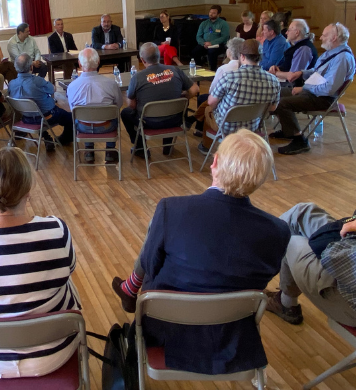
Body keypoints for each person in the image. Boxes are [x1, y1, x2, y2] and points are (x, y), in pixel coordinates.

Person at [111, 130, 291, 375]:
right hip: (232, 337)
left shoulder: (171, 209)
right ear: (260, 179)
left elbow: (150, 266)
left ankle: (129, 288)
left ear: (214, 162)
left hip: (167, 331)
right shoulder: (279, 231)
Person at [0, 147, 81, 378]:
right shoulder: (55, 230)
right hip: (54, 353)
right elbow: (69, 269)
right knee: (66, 283)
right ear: (28, 190)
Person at [265, 202, 356, 327]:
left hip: (348, 290)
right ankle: (284, 299)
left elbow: (335, 258)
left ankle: (285, 304)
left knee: (289, 239)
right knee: (301, 212)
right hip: (348, 248)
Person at [271, 22, 355, 155]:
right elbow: (317, 71)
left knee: (282, 103)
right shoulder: (332, 53)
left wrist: (304, 88)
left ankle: (299, 141)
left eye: (324, 35)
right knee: (275, 92)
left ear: (334, 38)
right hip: (314, 92)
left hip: (323, 98)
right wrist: (302, 73)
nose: (320, 37)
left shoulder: (342, 58)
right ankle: (288, 129)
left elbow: (329, 89)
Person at [197, 39, 280, 154]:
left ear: (242, 56)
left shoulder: (229, 77)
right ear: (261, 57)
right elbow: (272, 108)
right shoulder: (273, 80)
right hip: (253, 125)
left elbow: (211, 102)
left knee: (207, 108)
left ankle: (207, 146)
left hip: (227, 127)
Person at [122, 42, 198, 157]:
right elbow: (195, 89)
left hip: (149, 122)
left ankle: (140, 147)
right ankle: (167, 147)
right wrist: (183, 98)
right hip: (175, 119)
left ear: (142, 60)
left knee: (125, 113)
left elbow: (131, 105)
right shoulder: (175, 70)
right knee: (168, 107)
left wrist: (128, 95)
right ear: (159, 56)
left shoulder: (137, 77)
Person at [67, 48, 123, 164]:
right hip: (106, 126)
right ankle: (110, 151)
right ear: (98, 62)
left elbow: (73, 110)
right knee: (114, 114)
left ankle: (89, 150)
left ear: (79, 64)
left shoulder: (72, 86)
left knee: (80, 116)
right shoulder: (111, 84)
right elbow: (119, 105)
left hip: (83, 127)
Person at [8, 53, 74, 149]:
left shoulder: (11, 84)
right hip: (47, 117)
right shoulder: (37, 81)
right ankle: (64, 139)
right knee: (70, 117)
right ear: (31, 67)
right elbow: (52, 89)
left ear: (15, 67)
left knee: (37, 111)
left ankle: (46, 137)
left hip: (26, 118)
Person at [185, 37, 244, 136]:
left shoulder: (224, 69)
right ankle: (193, 120)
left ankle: (199, 128)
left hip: (227, 110)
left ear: (229, 52)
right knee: (205, 99)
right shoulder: (246, 68)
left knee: (204, 99)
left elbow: (213, 91)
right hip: (247, 111)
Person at [269, 19, 318, 83]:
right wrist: (277, 68)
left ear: (297, 32)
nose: (286, 33)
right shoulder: (297, 46)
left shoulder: (304, 49)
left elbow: (293, 76)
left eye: (288, 30)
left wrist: (275, 73)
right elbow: (288, 66)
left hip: (295, 87)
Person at [191, 5, 229, 71]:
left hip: (218, 45)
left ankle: (213, 71)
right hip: (205, 44)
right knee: (195, 51)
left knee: (212, 52)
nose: (211, 14)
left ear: (218, 14)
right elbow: (198, 36)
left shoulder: (223, 24)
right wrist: (203, 43)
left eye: (214, 13)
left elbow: (224, 37)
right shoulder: (204, 23)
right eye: (210, 12)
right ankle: (199, 68)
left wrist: (212, 43)